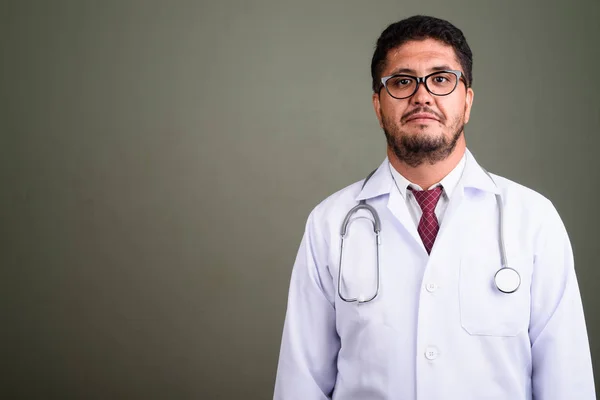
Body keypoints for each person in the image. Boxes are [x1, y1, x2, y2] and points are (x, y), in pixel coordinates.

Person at [273, 15, 596, 400]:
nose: (422, 96)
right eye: (402, 81)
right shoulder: (330, 223)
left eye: (441, 79)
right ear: (378, 106)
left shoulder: (534, 220)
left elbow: (567, 380)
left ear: (467, 101)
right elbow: (300, 383)